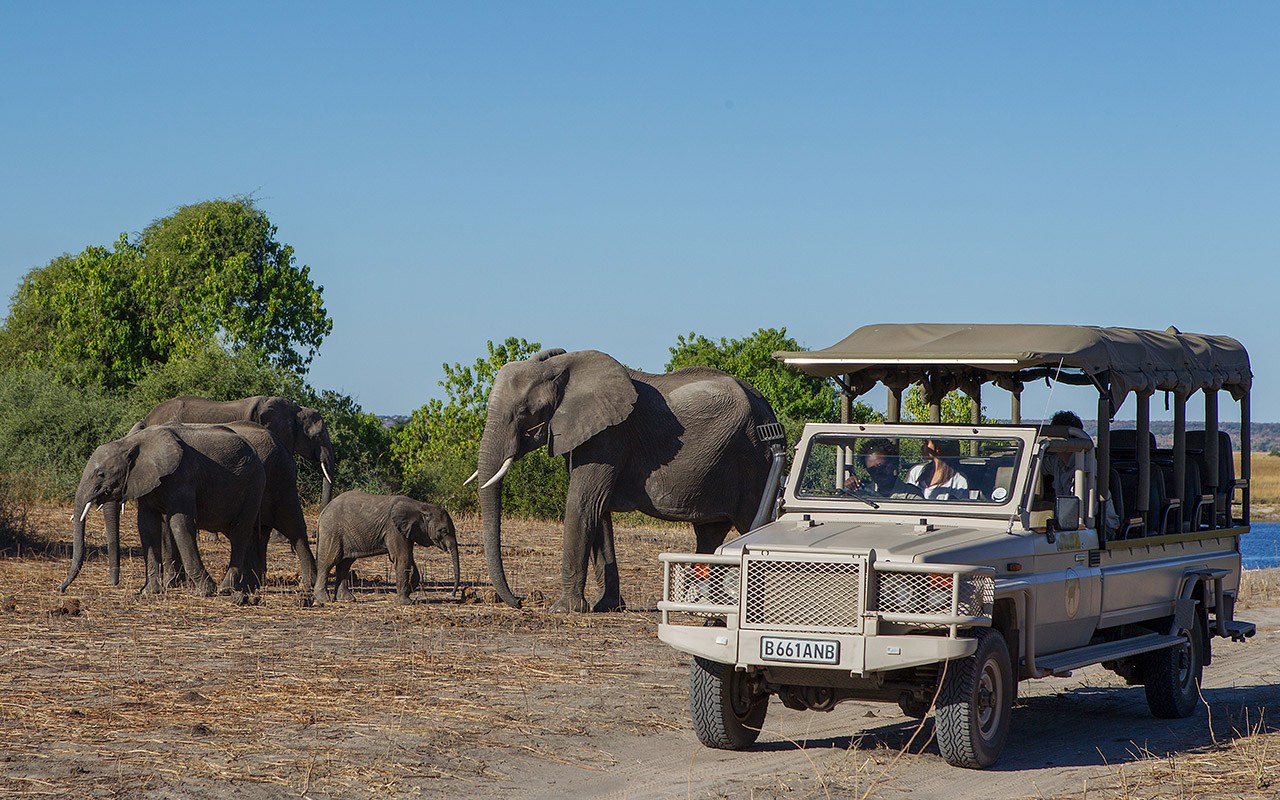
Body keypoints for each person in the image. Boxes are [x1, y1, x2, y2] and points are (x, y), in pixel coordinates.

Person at [1045, 410, 1120, 531]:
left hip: (1099, 528)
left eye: (1054, 436)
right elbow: (1037, 465)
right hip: (1070, 522)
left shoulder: (1085, 466)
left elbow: (1084, 511)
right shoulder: (1058, 461)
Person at [844, 438, 924, 499]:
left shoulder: (911, 495)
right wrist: (850, 488)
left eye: (881, 466)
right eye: (872, 470)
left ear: (893, 463)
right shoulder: (863, 492)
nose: (878, 472)